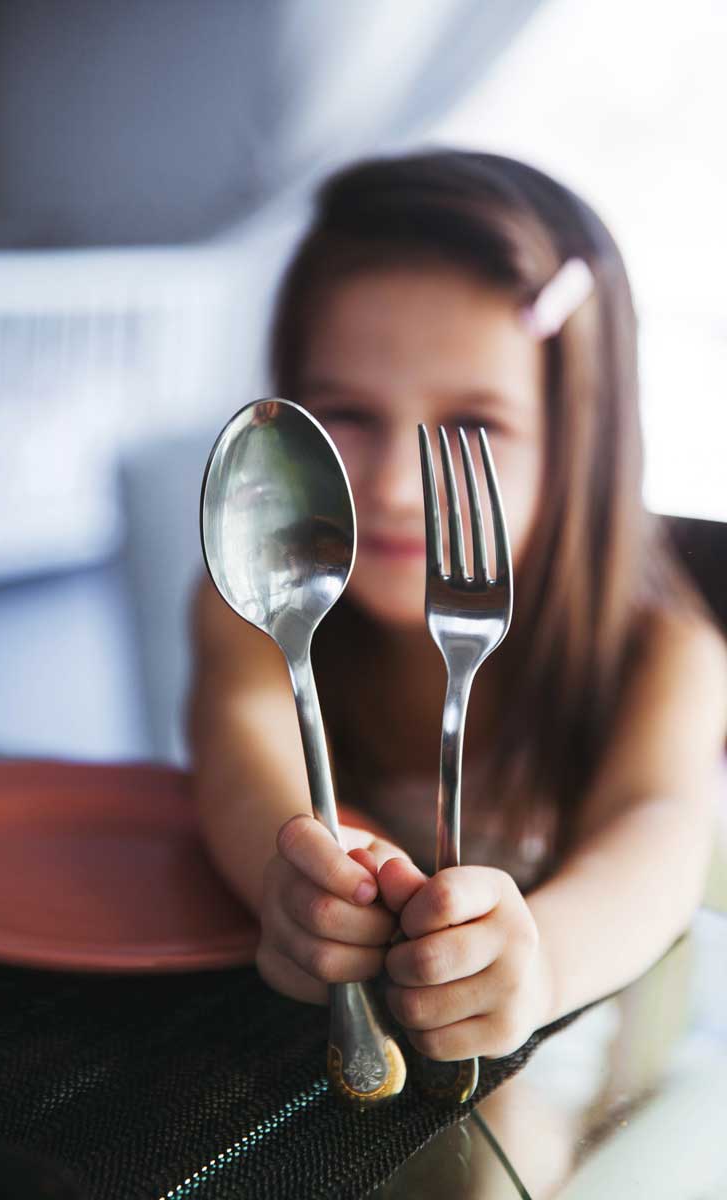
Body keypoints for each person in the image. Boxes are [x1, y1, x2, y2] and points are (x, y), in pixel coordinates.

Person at [187, 150, 727, 1064]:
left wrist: (542, 961)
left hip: (583, 1069)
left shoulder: (661, 647)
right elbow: (243, 769)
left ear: (580, 444)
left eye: (471, 430)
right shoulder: (255, 617)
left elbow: (660, 833)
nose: (396, 486)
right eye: (347, 413)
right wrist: (293, 885)